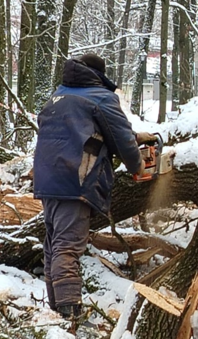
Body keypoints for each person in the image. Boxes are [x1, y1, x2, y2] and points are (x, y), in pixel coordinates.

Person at [32, 53, 156, 321]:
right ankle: (69, 313)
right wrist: (138, 166)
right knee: (68, 245)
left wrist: (136, 136)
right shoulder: (101, 97)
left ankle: (56, 308)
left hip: (47, 178)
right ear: (99, 75)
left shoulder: (60, 94)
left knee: (54, 243)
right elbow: (119, 138)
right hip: (75, 178)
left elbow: (85, 129)